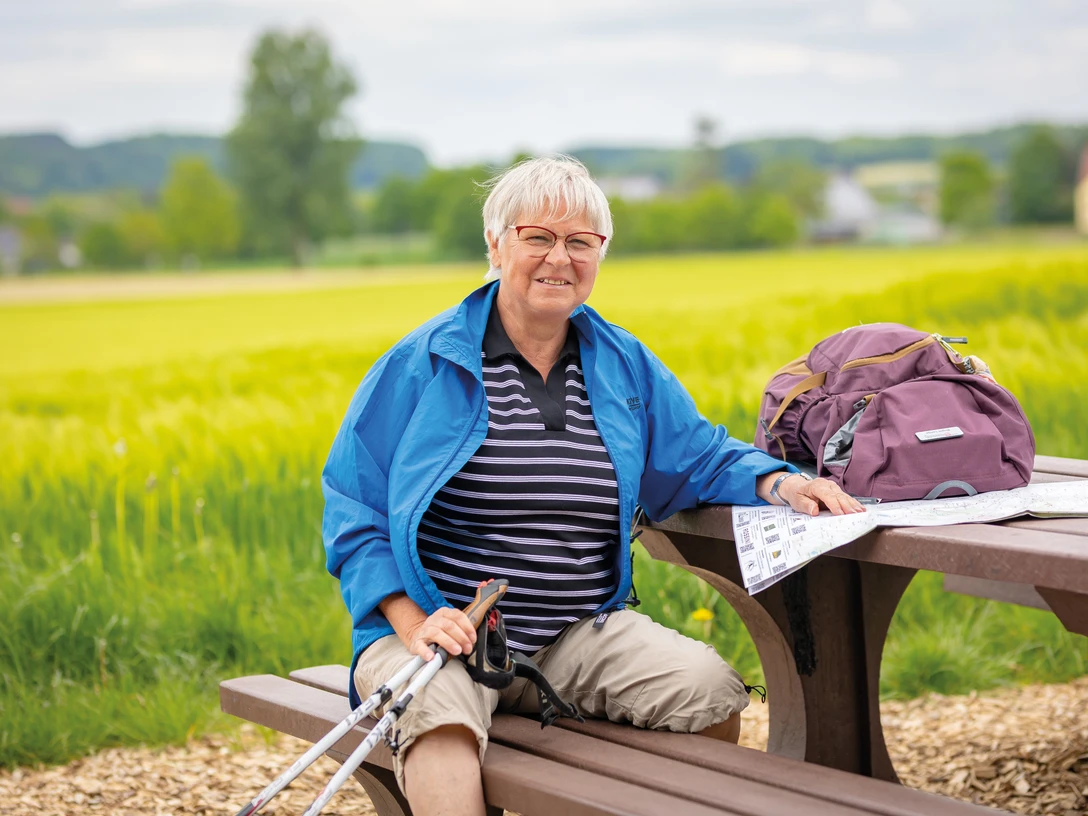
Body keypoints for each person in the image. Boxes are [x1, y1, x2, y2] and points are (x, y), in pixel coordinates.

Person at [322, 156, 865, 816]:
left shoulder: (620, 361)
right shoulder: (423, 363)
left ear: (600, 253)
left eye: (580, 241)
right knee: (439, 723)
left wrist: (780, 482)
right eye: (538, 237)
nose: (560, 258)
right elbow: (353, 509)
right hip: (444, 635)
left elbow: (696, 456)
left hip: (572, 634)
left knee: (708, 693)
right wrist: (413, 623)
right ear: (495, 244)